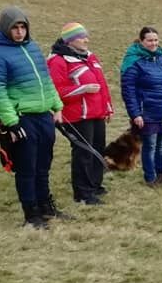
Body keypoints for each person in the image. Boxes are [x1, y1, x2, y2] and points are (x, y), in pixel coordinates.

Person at [0, 7, 66, 228]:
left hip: (43, 116)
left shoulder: (33, 48)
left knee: (43, 164)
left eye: (23, 27)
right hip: (22, 118)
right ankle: (31, 214)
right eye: (15, 28)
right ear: (5, 29)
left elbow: (46, 82)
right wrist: (11, 122)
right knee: (26, 166)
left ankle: (46, 206)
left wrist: (57, 106)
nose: (19, 32)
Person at [47, 22, 113, 205]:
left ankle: (95, 185)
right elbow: (56, 91)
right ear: (70, 40)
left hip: (96, 113)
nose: (86, 40)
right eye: (81, 37)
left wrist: (107, 106)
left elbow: (102, 84)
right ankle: (83, 193)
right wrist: (82, 88)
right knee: (83, 152)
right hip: (76, 116)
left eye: (86, 36)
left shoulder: (91, 57)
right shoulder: (57, 60)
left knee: (98, 149)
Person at [121, 26, 162, 187]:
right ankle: (150, 178)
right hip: (147, 112)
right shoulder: (133, 62)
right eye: (150, 40)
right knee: (150, 145)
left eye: (156, 40)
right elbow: (128, 90)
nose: (153, 43)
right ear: (141, 41)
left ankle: (161, 174)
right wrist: (135, 113)